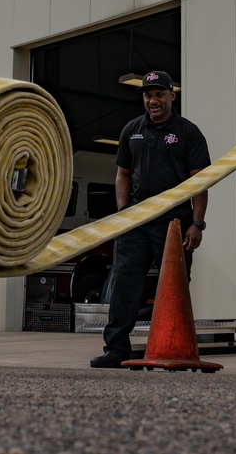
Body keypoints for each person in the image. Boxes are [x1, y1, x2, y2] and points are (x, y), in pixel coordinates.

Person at [89, 70, 211, 368]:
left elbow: (200, 182)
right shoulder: (132, 129)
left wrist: (197, 224)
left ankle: (173, 345)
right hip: (137, 221)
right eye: (148, 95)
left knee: (174, 285)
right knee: (124, 284)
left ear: (172, 96)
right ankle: (116, 349)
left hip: (175, 224)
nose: (153, 100)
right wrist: (123, 214)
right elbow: (123, 174)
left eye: (159, 94)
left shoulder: (187, 132)